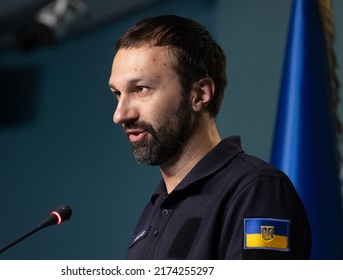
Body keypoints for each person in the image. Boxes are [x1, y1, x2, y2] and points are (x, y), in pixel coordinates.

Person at [108, 15, 311, 259]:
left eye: (141, 89)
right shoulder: (154, 208)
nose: (120, 115)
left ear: (200, 94)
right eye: (117, 94)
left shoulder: (256, 189)